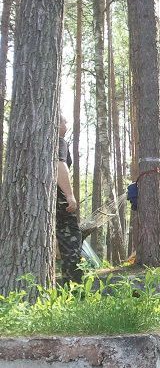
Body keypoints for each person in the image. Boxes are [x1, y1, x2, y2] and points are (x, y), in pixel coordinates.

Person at [56, 114, 84, 285]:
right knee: (71, 239)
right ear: (58, 124)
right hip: (59, 201)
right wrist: (69, 195)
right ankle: (73, 287)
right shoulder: (58, 141)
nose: (67, 125)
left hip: (48, 202)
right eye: (65, 122)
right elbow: (59, 165)